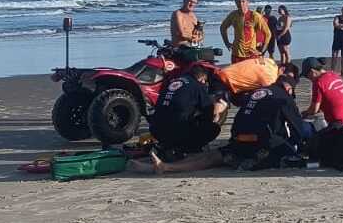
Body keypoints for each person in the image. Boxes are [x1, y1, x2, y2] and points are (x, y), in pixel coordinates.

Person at [129, 74, 304, 174]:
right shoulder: (284, 98)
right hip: (258, 144)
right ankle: (166, 167)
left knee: (212, 157)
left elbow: (241, 117)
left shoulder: (257, 92)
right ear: (288, 89)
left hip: (238, 139)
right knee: (284, 151)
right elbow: (298, 128)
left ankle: (165, 166)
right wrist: (303, 148)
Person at [149, 65, 227, 159]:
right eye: (204, 80)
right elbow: (208, 109)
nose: (204, 83)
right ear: (201, 77)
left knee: (178, 117)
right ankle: (189, 148)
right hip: (176, 131)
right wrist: (216, 114)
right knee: (213, 128)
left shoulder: (171, 83)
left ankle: (169, 145)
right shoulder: (196, 85)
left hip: (156, 130)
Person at [300, 57, 343, 126]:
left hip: (338, 123)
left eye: (306, 76)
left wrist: (304, 113)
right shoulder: (335, 75)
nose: (308, 79)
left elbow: (314, 109)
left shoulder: (318, 82)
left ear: (312, 71)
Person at [220, 0, 271, 64]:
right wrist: (227, 43)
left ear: (247, 2)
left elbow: (268, 33)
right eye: (238, 2)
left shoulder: (255, 16)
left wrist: (262, 51)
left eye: (243, 1)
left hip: (251, 54)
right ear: (235, 2)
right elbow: (222, 27)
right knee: (236, 72)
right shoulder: (233, 15)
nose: (241, 4)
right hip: (236, 54)